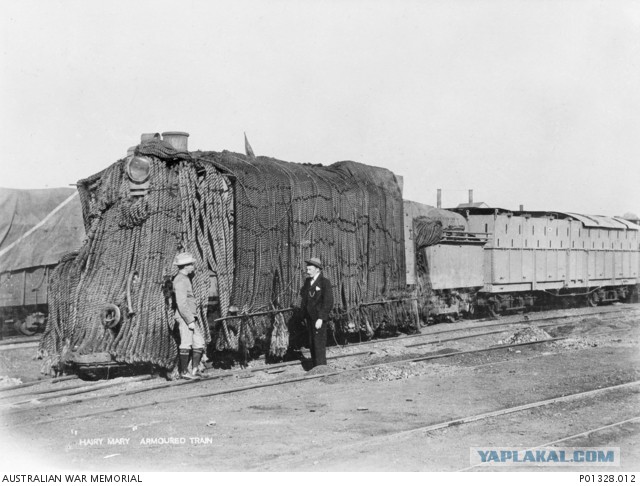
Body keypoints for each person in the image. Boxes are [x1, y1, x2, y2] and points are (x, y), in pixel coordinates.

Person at [173, 252, 205, 379]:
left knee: (199, 342)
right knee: (186, 343)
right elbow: (181, 303)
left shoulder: (185, 279)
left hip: (190, 317)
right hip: (185, 317)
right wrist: (189, 320)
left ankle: (194, 370)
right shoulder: (180, 280)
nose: (193, 266)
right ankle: (184, 372)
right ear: (186, 266)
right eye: (191, 264)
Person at [300, 257, 334, 368]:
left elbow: (328, 302)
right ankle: (315, 367)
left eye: (310, 269)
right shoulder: (307, 282)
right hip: (309, 318)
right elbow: (305, 299)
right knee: (312, 343)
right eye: (307, 269)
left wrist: (321, 318)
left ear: (317, 270)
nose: (307, 271)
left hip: (318, 318)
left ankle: (321, 368)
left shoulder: (325, 283)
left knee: (319, 344)